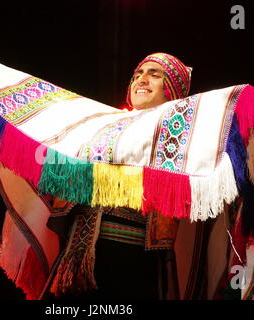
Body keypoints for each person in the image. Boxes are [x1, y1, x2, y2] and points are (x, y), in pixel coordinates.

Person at [46, 52, 192, 300]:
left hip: (132, 259)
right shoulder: (102, 127)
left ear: (172, 89)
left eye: (154, 74)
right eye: (137, 75)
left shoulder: (182, 136)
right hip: (80, 255)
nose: (141, 80)